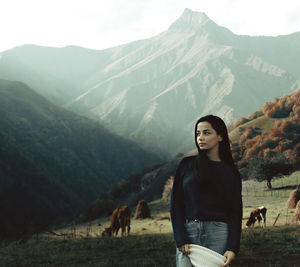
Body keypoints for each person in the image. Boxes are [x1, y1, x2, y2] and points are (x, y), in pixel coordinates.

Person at [170, 115, 242, 267]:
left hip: (218, 234)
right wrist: (180, 237)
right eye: (198, 133)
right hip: (189, 234)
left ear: (220, 136)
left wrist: (232, 247)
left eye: (206, 133)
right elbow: (175, 204)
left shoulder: (231, 172)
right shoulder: (186, 165)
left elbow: (235, 212)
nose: (200, 138)